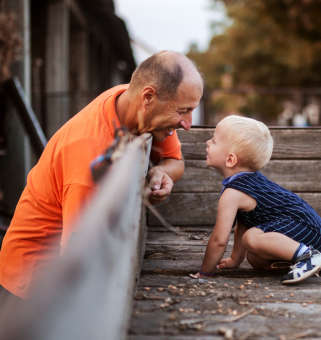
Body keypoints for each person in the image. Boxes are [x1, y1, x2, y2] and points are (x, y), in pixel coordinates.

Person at [0, 51, 204, 299]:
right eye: (183, 110)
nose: (188, 123)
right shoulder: (90, 157)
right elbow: (78, 255)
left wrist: (162, 171)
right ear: (148, 97)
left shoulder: (135, 104)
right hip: (36, 281)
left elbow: (174, 160)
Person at [191, 115, 321, 284]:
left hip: (305, 227)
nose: (207, 143)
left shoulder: (233, 192)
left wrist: (205, 272)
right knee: (256, 259)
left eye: (214, 141)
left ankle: (309, 256)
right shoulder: (249, 181)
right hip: (309, 229)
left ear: (230, 159)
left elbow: (219, 240)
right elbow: (244, 222)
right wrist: (235, 260)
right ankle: (318, 259)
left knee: (252, 238)